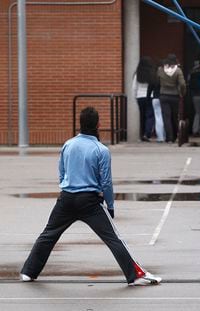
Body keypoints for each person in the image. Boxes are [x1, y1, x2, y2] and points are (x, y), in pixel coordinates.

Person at [20, 107, 161, 286]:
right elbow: (107, 183)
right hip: (89, 202)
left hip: (66, 198)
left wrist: (67, 185)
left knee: (48, 235)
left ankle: (28, 272)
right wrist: (110, 206)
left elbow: (61, 172)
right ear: (98, 125)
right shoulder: (101, 150)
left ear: (80, 124)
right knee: (113, 238)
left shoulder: (68, 145)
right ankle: (135, 274)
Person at [158, 54, 186, 143]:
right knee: (174, 116)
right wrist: (182, 93)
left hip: (163, 95)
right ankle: (174, 135)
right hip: (174, 95)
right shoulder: (178, 70)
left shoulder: (160, 69)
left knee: (166, 117)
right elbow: (182, 84)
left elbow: (157, 80)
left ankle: (169, 137)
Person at [132, 56, 156, 142]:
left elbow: (134, 87)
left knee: (142, 116)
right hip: (150, 96)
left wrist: (135, 97)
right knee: (150, 115)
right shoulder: (152, 73)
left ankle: (141, 135)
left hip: (140, 97)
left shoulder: (137, 74)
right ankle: (147, 133)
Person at [188, 55, 200, 137]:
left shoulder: (192, 72)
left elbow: (188, 82)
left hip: (195, 95)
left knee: (197, 113)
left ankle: (195, 130)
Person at [148, 72, 165, 143]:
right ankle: (165, 136)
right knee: (165, 117)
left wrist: (148, 98)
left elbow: (149, 91)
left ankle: (160, 137)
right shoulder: (164, 79)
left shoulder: (153, 80)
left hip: (155, 98)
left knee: (158, 118)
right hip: (164, 97)